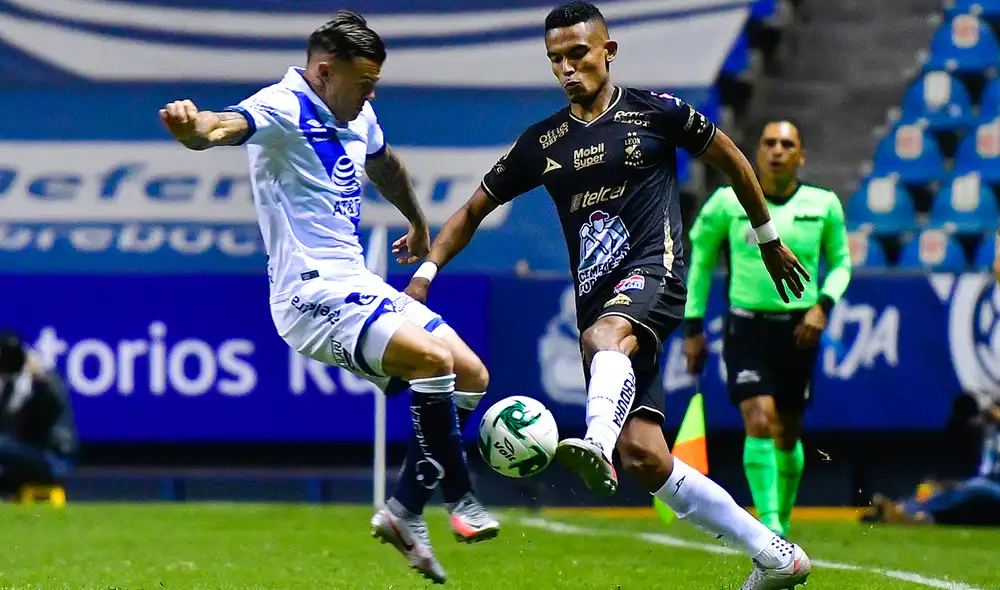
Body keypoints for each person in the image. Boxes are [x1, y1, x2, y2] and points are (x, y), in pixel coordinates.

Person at [400, 3, 813, 588]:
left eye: (578, 54)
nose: (568, 69)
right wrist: (426, 275)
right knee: (645, 457)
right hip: (599, 307)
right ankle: (775, 555)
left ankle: (594, 440)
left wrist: (766, 237)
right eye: (556, 60)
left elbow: (731, 158)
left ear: (608, 51)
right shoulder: (544, 141)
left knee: (605, 339)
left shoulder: (657, 111)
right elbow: (472, 210)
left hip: (658, 272)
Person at [158, 11, 495, 584]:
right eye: (362, 83)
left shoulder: (358, 112)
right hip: (308, 295)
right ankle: (461, 500)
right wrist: (192, 129)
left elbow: (385, 163)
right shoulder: (283, 106)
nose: (368, 95)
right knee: (434, 362)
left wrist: (416, 220)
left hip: (357, 281)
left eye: (374, 85)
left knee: (472, 375)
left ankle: (403, 510)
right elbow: (221, 127)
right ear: (322, 71)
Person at [682, 121, 852, 538]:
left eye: (787, 144)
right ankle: (771, 525)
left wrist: (822, 306)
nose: (777, 150)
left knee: (787, 433)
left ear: (801, 155)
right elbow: (700, 264)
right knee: (759, 419)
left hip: (799, 330)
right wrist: (692, 327)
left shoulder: (824, 204)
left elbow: (842, 263)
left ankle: (784, 514)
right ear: (757, 152)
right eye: (769, 143)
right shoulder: (725, 203)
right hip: (746, 328)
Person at [0, 331, 77, 499]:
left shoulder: (44, 382)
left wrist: (39, 378)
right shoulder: (9, 386)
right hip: (25, 457)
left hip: (53, 460)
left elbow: (49, 413)